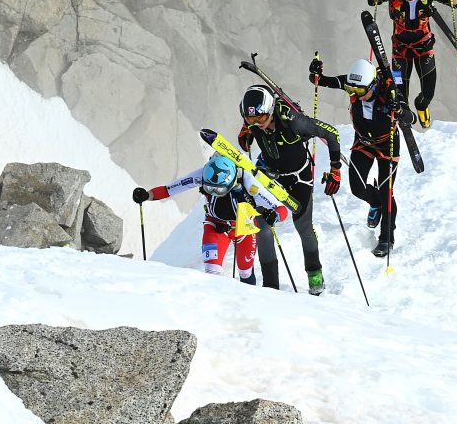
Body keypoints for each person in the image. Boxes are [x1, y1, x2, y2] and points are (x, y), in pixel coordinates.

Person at [237, 84, 342, 294]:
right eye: (250, 120)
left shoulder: (293, 121)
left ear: (270, 110)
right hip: (270, 178)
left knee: (303, 227)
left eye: (260, 119)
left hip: (298, 179)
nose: (257, 124)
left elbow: (331, 133)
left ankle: (315, 276)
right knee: (263, 225)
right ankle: (270, 287)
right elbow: (251, 124)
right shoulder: (255, 121)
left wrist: (335, 170)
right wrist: (247, 131)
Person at [131, 153, 289, 284]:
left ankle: (248, 306)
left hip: (244, 228)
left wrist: (273, 216)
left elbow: (282, 210)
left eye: (219, 190)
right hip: (215, 226)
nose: (213, 193)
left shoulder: (249, 182)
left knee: (246, 273)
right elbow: (170, 189)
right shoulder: (204, 174)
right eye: (209, 188)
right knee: (212, 273)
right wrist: (147, 195)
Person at [309, 58, 411, 257]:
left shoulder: (389, 92)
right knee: (357, 187)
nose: (356, 95)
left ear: (373, 84)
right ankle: (376, 204)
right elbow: (320, 81)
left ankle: (386, 238)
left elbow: (410, 117)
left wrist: (398, 109)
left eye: (361, 92)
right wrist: (315, 75)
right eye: (352, 90)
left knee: (386, 191)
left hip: (386, 143)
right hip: (363, 142)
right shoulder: (356, 85)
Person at [367, 0, 457, 129]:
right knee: (399, 92)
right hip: (400, 50)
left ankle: (421, 106)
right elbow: (372, 1)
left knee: (428, 92)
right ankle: (405, 121)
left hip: (424, 46)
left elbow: (453, 4)